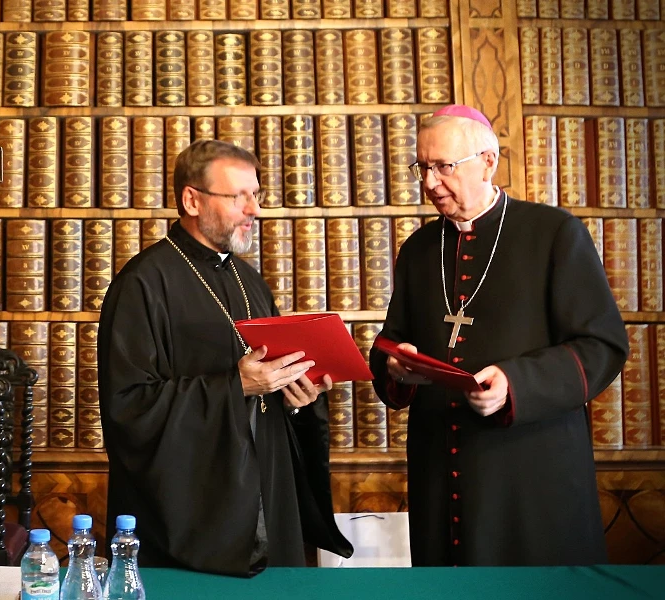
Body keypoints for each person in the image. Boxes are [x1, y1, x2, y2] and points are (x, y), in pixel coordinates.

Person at [369, 104, 629, 566]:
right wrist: (396, 364)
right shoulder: (420, 249)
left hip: (529, 470)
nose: (429, 182)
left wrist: (516, 383)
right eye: (422, 167)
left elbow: (601, 346)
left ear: (488, 161)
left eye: (444, 167)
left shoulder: (553, 233)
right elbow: (393, 339)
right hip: (438, 469)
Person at [98, 139, 352, 576]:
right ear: (191, 200)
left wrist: (297, 395)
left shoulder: (249, 280)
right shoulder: (142, 285)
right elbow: (127, 410)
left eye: (257, 195)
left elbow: (269, 397)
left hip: (269, 497)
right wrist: (236, 386)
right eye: (239, 197)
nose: (255, 209)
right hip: (194, 518)